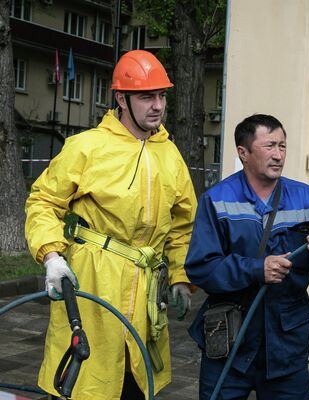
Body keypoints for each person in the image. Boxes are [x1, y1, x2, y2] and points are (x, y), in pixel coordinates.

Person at [24, 50, 197, 400]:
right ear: (121, 98)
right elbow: (44, 201)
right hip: (93, 282)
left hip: (145, 288)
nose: (158, 105)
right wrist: (52, 256)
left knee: (134, 382)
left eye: (162, 95)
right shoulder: (86, 147)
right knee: (88, 379)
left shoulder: (170, 155)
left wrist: (180, 276)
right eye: (147, 96)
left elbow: (182, 225)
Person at [185, 114, 309, 399]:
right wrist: (255, 269)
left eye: (283, 146)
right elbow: (202, 267)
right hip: (229, 342)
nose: (278, 155)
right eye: (269, 146)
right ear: (243, 153)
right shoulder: (217, 200)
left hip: (285, 344)